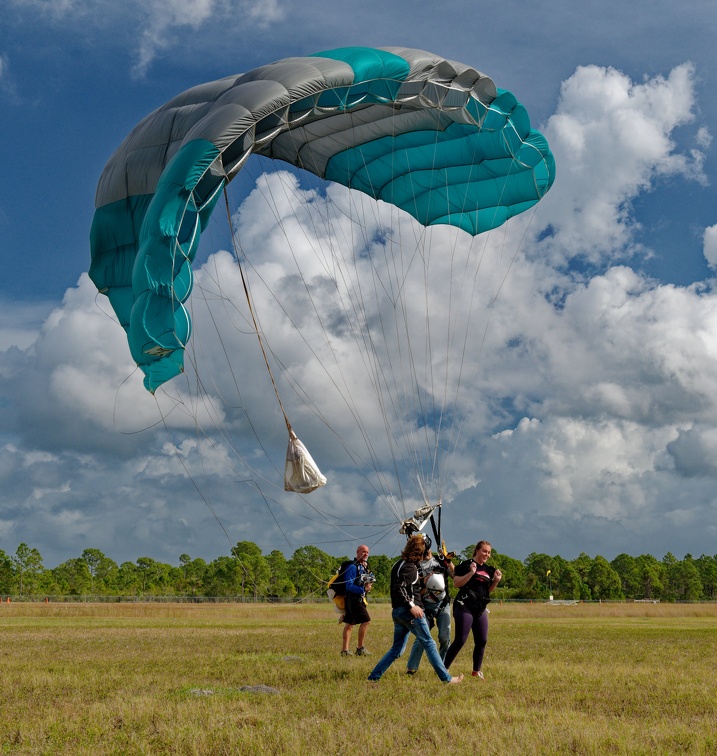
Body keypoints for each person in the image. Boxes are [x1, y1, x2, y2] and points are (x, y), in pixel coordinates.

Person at [368, 535, 463, 684]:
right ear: (420, 551)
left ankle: (373, 677)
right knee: (429, 643)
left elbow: (402, 586)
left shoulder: (398, 564)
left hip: (398, 612)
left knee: (397, 650)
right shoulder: (410, 567)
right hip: (409, 613)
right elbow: (400, 588)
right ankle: (447, 679)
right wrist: (412, 606)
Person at [443, 540, 502, 679]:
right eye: (484, 551)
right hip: (465, 605)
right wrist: (471, 573)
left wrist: (496, 581)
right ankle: (443, 668)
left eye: (489, 552)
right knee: (460, 639)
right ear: (477, 550)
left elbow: (488, 591)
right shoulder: (466, 564)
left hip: (480, 608)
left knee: (482, 640)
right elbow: (456, 583)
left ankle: (476, 671)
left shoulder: (489, 569)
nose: (486, 554)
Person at [405, 542, 455, 675]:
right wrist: (426, 583)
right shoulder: (415, 566)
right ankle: (412, 668)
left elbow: (455, 576)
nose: (425, 553)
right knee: (422, 636)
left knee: (445, 637)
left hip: (442, 604)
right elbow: (415, 591)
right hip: (425, 606)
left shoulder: (440, 561)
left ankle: (442, 667)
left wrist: (448, 561)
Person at [341, 544, 373, 656]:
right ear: (357, 552)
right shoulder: (352, 567)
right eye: (363, 551)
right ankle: (360, 648)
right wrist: (362, 589)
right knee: (366, 620)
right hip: (353, 599)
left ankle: (345, 650)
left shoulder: (364, 567)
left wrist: (368, 586)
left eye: (367, 552)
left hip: (359, 598)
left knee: (350, 624)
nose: (366, 554)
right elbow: (348, 585)